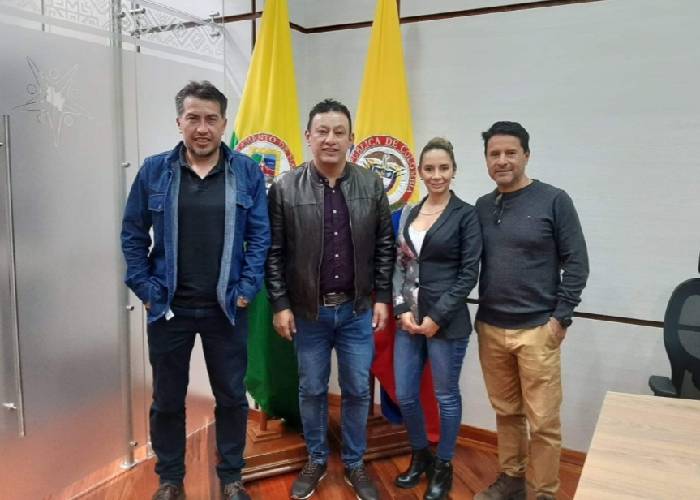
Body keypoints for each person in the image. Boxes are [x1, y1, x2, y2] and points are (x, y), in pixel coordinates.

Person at [121, 80, 270, 500]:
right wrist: (146, 288)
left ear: (223, 124)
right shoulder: (154, 171)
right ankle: (170, 480)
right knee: (167, 400)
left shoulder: (246, 172)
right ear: (179, 122)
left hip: (228, 308)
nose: (202, 128)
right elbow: (133, 234)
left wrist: (247, 288)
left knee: (232, 398)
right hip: (169, 309)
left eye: (210, 119)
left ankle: (231, 477)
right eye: (193, 118)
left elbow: (261, 237)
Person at [265, 98, 395, 500]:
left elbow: (385, 244)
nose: (330, 139)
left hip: (356, 311)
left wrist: (383, 296)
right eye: (322, 131)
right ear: (308, 136)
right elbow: (274, 252)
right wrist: (280, 304)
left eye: (339, 132)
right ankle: (317, 458)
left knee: (357, 390)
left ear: (352, 138)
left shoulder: (371, 185)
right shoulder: (285, 188)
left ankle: (355, 463)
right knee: (312, 390)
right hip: (309, 313)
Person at [473, 122, 589, 500]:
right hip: (491, 327)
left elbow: (577, 262)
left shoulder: (554, 200)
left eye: (510, 152)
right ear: (486, 160)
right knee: (507, 412)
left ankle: (543, 492)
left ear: (526, 155)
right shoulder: (482, 207)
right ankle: (512, 479)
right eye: (494, 154)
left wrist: (561, 317)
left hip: (538, 329)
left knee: (543, 423)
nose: (502, 160)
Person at [392, 137, 482, 500]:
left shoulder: (466, 214)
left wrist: (436, 317)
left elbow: (468, 273)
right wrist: (401, 309)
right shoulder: (410, 213)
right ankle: (421, 455)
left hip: (446, 322)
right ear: (420, 172)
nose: (437, 175)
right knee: (405, 394)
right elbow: (400, 264)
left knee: (446, 397)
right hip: (408, 322)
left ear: (454, 170)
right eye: (429, 168)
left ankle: (444, 464)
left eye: (444, 168)